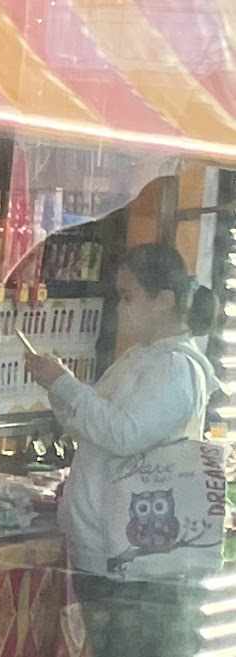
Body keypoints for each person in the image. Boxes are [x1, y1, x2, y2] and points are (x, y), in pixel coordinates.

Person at [25, 243, 220, 657]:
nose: (121, 308)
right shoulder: (140, 358)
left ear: (163, 301)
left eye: (128, 296)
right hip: (106, 555)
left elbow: (125, 434)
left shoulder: (176, 367)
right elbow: (93, 423)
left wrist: (65, 385)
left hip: (140, 566)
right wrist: (58, 387)